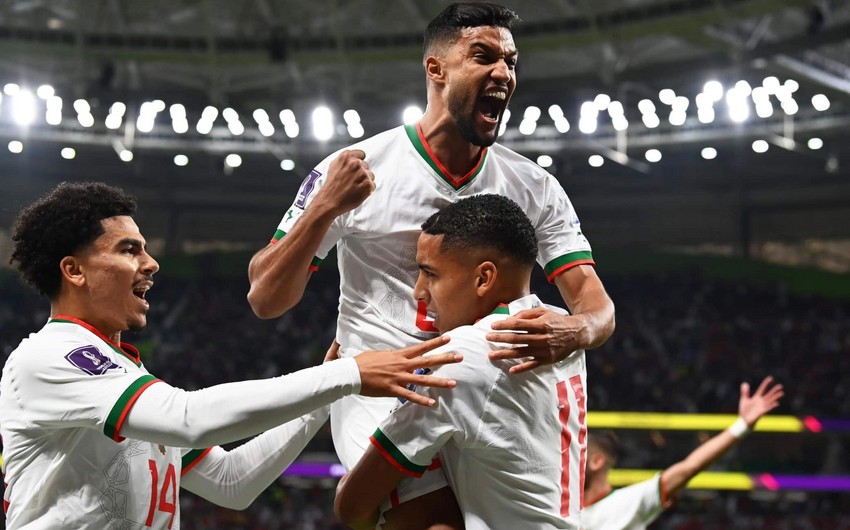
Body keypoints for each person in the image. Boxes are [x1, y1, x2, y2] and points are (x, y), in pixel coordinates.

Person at [247, 1, 615, 511]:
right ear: (436, 69)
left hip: (482, 389)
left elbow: (595, 305)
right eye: (484, 56)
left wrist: (578, 330)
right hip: (383, 391)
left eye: (511, 62)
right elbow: (265, 298)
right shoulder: (358, 167)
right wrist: (325, 207)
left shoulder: (534, 186)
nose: (503, 73)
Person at [0, 181, 461, 529]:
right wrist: (347, 375)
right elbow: (188, 417)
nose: (151, 263)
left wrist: (326, 393)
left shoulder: (125, 377)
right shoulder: (51, 355)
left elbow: (230, 481)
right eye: (129, 249)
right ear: (74, 270)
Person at [334, 194, 588, 529]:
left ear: (484, 278)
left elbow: (353, 504)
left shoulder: (463, 355)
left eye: (430, 274)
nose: (418, 292)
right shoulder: (559, 329)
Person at [582, 376, 785, 530]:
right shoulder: (565, 511)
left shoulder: (628, 502)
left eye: (578, 457)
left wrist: (742, 426)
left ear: (597, 461)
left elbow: (689, 467)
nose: (569, 463)